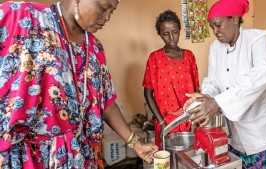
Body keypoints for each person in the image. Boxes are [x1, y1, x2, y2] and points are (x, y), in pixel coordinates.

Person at [0, 0, 158, 168]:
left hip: (77, 157)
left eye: (112, 11)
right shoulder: (22, 16)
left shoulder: (95, 48)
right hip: (27, 157)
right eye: (104, 8)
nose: (107, 17)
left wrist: (137, 145)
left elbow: (107, 104)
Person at [183, 0, 266, 168]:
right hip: (238, 131)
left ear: (234, 19)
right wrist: (206, 96)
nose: (215, 32)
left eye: (218, 26)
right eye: (212, 27)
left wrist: (217, 102)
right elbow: (213, 82)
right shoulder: (215, 48)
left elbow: (265, 70)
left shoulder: (257, 38)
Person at [143, 10, 200, 149]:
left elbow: (197, 91)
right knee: (167, 160)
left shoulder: (189, 56)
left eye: (174, 32)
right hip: (166, 122)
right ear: (160, 34)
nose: (171, 38)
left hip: (189, 119)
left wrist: (197, 118)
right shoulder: (154, 58)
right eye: (165, 34)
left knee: (190, 158)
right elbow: (147, 94)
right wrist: (161, 123)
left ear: (180, 30)